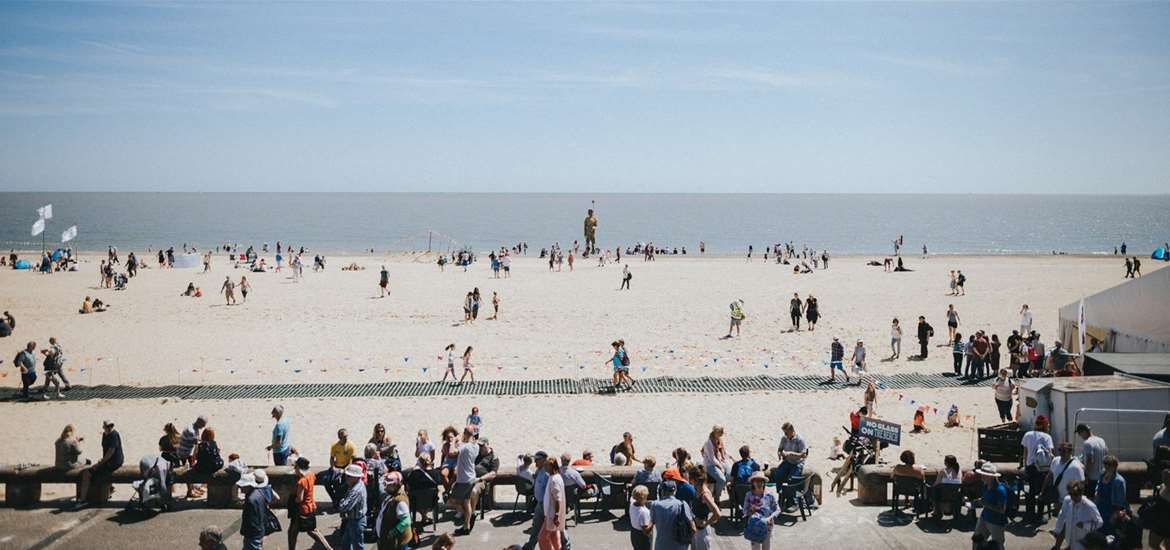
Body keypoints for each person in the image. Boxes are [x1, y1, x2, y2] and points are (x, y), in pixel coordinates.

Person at [77, 420, 124, 507]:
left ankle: (82, 500)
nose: (110, 428)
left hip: (114, 462)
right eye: (108, 426)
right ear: (104, 427)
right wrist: (102, 461)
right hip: (107, 461)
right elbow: (105, 450)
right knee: (97, 472)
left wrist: (102, 462)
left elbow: (111, 451)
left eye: (111, 426)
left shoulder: (114, 435)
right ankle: (110, 489)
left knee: (87, 473)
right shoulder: (104, 435)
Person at [287, 457, 331, 550]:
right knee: (308, 530)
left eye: (296, 467)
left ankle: (328, 548)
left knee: (294, 532)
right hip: (310, 506)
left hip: (302, 510)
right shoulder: (311, 475)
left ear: (299, 468)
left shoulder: (302, 481)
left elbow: (300, 498)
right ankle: (328, 548)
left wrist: (292, 501)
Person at [1051, 480, 1103, 550]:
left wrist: (1085, 525)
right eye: (1070, 494)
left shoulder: (1089, 506)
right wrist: (1057, 532)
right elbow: (1063, 520)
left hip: (1083, 544)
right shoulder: (1068, 501)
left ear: (1081, 493)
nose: (1072, 497)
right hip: (1070, 542)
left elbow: (1100, 523)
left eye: (1075, 494)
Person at [1022, 415, 1055, 519]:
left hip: (1030, 467)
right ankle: (1040, 515)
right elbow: (1050, 453)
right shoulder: (1047, 437)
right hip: (1042, 468)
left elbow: (1025, 452)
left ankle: (1030, 514)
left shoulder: (1028, 434)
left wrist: (1025, 465)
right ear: (1045, 426)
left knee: (1030, 491)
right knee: (1042, 491)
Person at [648, 480, 695, 550]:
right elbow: (693, 529)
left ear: (662, 491)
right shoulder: (682, 505)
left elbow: (651, 524)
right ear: (675, 491)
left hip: (661, 546)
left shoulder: (655, 505)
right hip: (679, 546)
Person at [448, 428, 479, 534]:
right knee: (466, 502)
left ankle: (466, 516)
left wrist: (453, 441)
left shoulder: (464, 447)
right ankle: (467, 526)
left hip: (463, 480)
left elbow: (451, 452)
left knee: (451, 501)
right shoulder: (476, 446)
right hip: (471, 478)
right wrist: (460, 441)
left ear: (465, 434)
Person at [741, 472, 779, 550]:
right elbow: (744, 511)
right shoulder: (749, 495)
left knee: (766, 547)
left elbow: (777, 509)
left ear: (764, 482)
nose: (759, 483)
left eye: (761, 481)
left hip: (767, 525)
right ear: (753, 482)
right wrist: (750, 510)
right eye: (756, 481)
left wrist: (770, 517)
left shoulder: (769, 495)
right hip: (754, 526)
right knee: (755, 548)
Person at [375, 471, 412, 550]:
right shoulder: (392, 495)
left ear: (395, 485)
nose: (385, 487)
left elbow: (406, 521)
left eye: (387, 485)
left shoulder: (400, 501)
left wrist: (393, 532)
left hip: (396, 544)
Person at [973, 463, 1007, 547]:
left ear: (991, 477)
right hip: (984, 518)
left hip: (996, 522)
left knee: (997, 545)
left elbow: (1002, 510)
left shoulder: (1000, 490)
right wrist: (980, 501)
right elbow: (985, 500)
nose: (982, 477)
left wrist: (985, 504)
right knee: (976, 540)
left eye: (984, 475)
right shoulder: (985, 486)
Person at [1044, 442, 1085, 512]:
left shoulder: (1076, 467)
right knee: (1059, 521)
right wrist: (1043, 491)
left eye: (1064, 450)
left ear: (1070, 451)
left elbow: (1081, 485)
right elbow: (1049, 476)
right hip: (1056, 499)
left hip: (1069, 502)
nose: (1061, 452)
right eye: (1060, 450)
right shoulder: (1055, 460)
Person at [239, 470, 274, 550]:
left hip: (253, 533)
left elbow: (251, 520)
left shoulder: (251, 500)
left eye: (242, 486)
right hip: (259, 530)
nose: (240, 487)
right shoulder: (260, 492)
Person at [337, 464, 368, 550]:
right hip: (353, 520)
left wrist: (341, 501)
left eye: (349, 476)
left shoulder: (356, 490)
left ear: (356, 477)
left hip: (356, 522)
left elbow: (344, 507)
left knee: (357, 546)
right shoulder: (356, 484)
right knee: (345, 543)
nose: (346, 477)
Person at [178, 415, 209, 498]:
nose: (204, 427)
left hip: (189, 451)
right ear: (199, 422)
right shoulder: (191, 431)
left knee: (192, 469)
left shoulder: (194, 427)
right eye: (203, 424)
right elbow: (198, 442)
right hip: (184, 453)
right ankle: (190, 491)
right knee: (188, 471)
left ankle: (192, 488)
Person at [690, 466, 720, 550]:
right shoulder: (697, 489)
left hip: (702, 532)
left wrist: (706, 523)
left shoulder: (705, 495)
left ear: (694, 480)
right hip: (695, 529)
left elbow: (717, 514)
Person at [327, 428, 358, 504]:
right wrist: (333, 467)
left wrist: (346, 469)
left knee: (345, 485)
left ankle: (343, 501)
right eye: (343, 437)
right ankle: (335, 500)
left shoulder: (351, 446)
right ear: (339, 437)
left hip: (347, 467)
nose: (346, 438)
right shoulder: (334, 446)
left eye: (346, 436)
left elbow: (353, 460)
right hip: (337, 466)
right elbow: (332, 458)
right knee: (328, 482)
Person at [1077, 424, 1108, 497]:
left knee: (1090, 499)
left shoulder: (1087, 443)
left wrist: (1086, 475)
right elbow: (1106, 453)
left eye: (1079, 433)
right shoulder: (1101, 440)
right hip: (1102, 476)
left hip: (1092, 478)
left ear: (1084, 432)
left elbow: (1090, 461)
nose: (1079, 436)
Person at [700, 425, 728, 506]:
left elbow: (723, 452)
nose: (721, 435)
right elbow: (712, 459)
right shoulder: (708, 443)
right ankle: (717, 497)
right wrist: (720, 467)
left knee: (729, 474)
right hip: (710, 464)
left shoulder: (719, 440)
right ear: (715, 433)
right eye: (720, 433)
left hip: (719, 461)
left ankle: (719, 490)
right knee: (722, 479)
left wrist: (726, 459)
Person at [1145, 470, 1170, 549]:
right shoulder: (1160, 487)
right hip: (1158, 522)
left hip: (1168, 524)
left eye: (1167, 478)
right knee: (1152, 543)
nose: (1165, 479)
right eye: (1164, 477)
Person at [629, 484, 653, 550]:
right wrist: (653, 521)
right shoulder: (644, 512)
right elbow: (646, 531)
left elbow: (638, 500)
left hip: (634, 533)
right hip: (642, 538)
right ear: (644, 497)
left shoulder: (632, 503)